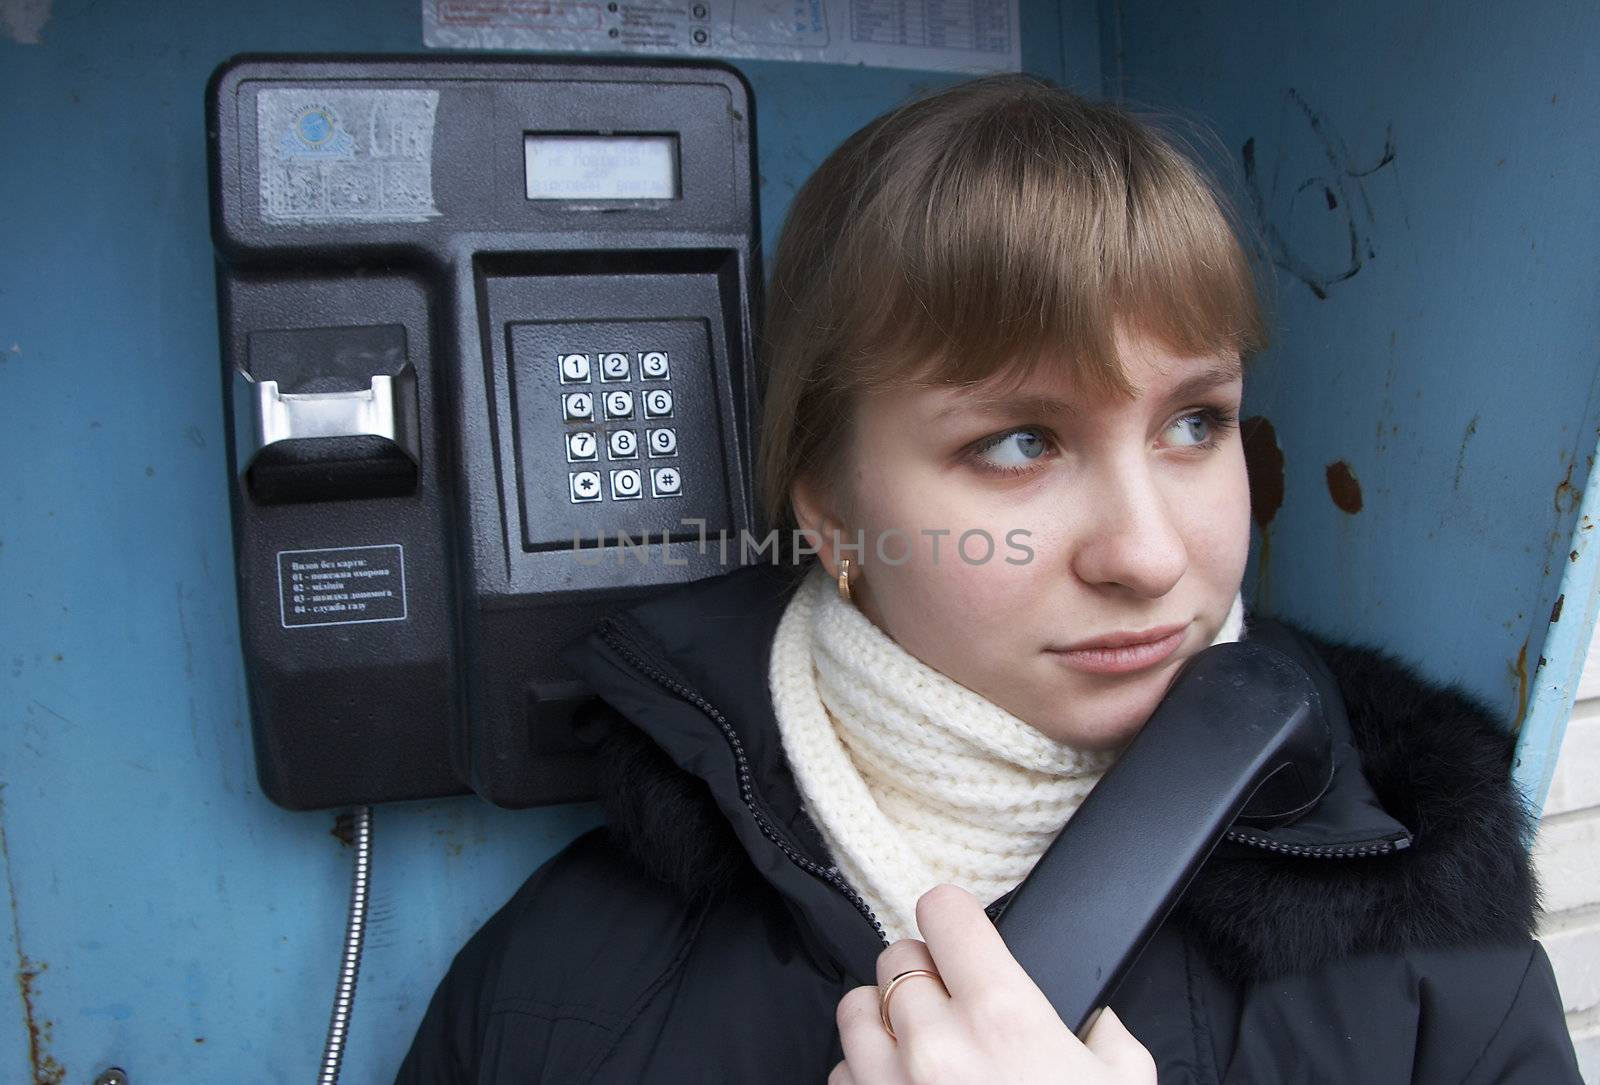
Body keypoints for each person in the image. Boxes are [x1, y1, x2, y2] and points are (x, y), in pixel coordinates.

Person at [397, 75, 1581, 1083]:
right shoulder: (568, 990)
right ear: (829, 508)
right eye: (1018, 441)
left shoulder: (1418, 932)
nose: (1148, 554)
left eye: (1194, 422)